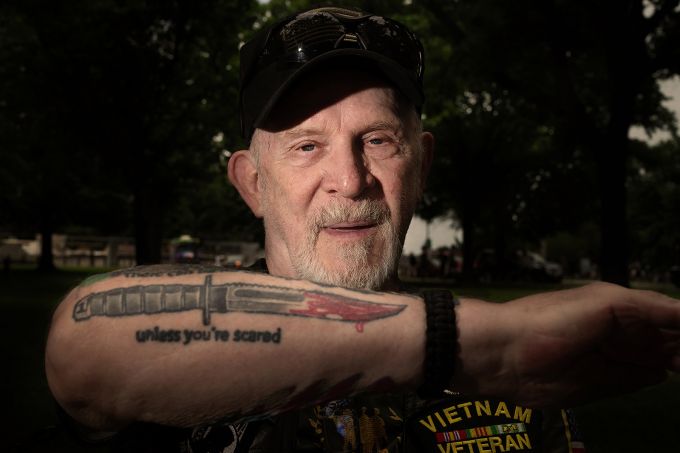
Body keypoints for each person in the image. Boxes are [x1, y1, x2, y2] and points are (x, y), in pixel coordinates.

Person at [45, 6, 680, 453]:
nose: (350, 180)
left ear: (422, 164)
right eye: (305, 148)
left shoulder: (533, 381)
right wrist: (462, 345)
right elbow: (82, 344)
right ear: (251, 183)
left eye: (376, 140)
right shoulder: (499, 350)